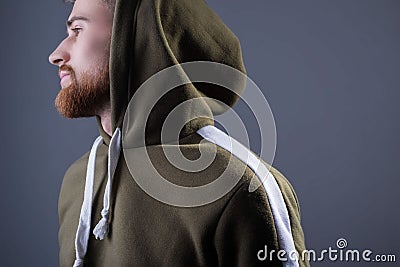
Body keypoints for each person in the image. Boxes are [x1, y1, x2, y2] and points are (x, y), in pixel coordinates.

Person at [49, 0, 309, 266]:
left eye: (77, 30)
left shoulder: (240, 188)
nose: (56, 54)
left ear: (135, 37)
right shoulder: (79, 180)